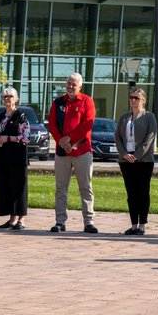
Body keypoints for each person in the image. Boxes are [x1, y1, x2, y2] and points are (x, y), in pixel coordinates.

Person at [47, 73, 97, 233]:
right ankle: (60, 221)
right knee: (61, 188)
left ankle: (89, 222)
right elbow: (52, 124)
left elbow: (87, 124)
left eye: (74, 84)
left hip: (82, 151)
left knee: (85, 188)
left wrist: (69, 139)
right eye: (68, 83)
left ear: (80, 86)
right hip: (62, 153)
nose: (70, 86)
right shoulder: (58, 102)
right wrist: (61, 140)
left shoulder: (87, 101)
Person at [115, 87, 158, 235]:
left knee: (143, 192)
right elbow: (118, 138)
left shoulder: (149, 117)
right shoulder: (124, 118)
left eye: (136, 98)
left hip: (144, 160)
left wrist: (137, 155)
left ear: (143, 100)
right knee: (131, 193)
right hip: (126, 160)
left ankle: (142, 225)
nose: (133, 100)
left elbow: (150, 138)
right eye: (131, 97)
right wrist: (125, 154)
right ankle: (133, 224)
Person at [0, 87, 28, 230]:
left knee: (19, 187)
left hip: (17, 157)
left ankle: (20, 219)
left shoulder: (21, 116)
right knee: (6, 187)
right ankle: (11, 219)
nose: (7, 99)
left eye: (10, 96)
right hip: (3, 157)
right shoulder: (0, 117)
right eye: (5, 96)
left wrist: (7, 138)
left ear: (16, 99)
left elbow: (25, 137)